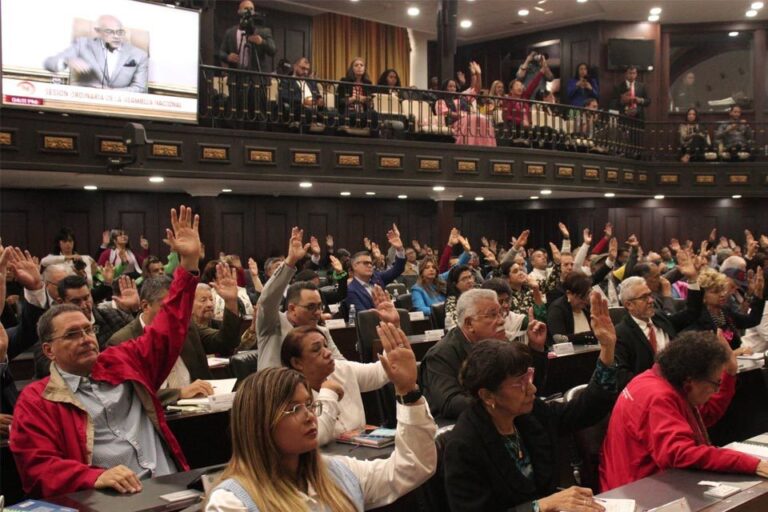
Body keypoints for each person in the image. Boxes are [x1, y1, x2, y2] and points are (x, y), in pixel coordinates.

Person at [10, 205, 201, 498]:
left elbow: (168, 327)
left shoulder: (123, 361)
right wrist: (92, 476)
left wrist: (187, 265)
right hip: (110, 500)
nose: (86, 338)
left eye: (88, 330)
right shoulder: (37, 400)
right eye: (73, 335)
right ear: (49, 349)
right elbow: (37, 468)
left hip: (172, 487)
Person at [205, 323, 437, 511]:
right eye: (295, 409)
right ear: (259, 424)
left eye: (309, 405)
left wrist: (408, 392)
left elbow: (412, 467)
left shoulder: (339, 471)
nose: (309, 417)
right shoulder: (231, 502)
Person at [443, 291, 618, 511]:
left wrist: (607, 348)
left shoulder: (531, 414)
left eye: (530, 377)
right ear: (488, 395)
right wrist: (539, 506)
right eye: (520, 383)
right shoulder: (464, 444)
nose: (532, 389)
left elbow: (587, 409)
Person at [600, 331, 768, 491]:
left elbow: (705, 416)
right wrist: (753, 464)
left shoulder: (664, 379)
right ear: (691, 381)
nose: (717, 391)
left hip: (652, 481)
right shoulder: (657, 397)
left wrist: (730, 374)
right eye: (716, 384)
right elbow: (681, 454)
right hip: (639, 491)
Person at [107, 270, 241, 405]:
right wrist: (179, 393)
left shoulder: (185, 326)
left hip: (201, 412)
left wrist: (231, 302)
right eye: (169, 307)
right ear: (146, 306)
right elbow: (128, 395)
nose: (176, 313)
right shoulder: (121, 342)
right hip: (156, 420)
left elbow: (225, 342)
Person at [420, 289, 547, 419]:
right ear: (469, 324)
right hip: (461, 428)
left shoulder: (500, 342)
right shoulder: (441, 354)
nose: (501, 321)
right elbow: (451, 404)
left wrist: (536, 349)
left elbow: (529, 386)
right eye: (492, 315)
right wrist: (500, 399)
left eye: (501, 313)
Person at [280, 325, 389, 445]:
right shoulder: (291, 395)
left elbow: (381, 373)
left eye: (325, 346)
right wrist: (328, 393)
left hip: (361, 452)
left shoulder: (341, 369)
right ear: (297, 363)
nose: (327, 353)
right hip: (324, 460)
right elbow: (317, 437)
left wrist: (393, 330)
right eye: (316, 349)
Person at [256, 227, 345, 371]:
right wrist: (290, 262)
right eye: (311, 307)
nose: (317, 313)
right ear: (292, 308)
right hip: (276, 390)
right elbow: (268, 300)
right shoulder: (273, 324)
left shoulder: (321, 332)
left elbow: (342, 366)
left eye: (319, 306)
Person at [614, 256, 703, 390]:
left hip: (678, 384)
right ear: (629, 305)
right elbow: (622, 376)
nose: (650, 300)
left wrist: (692, 279)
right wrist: (655, 385)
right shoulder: (621, 333)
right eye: (644, 297)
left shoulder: (659, 318)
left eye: (649, 295)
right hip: (648, 392)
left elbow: (692, 313)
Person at [43, 15, 148, 93]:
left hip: (120, 105)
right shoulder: (83, 44)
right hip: (86, 101)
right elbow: (49, 63)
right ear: (98, 32)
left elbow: (140, 88)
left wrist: (112, 92)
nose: (116, 36)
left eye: (119, 32)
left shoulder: (139, 55)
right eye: (109, 32)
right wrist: (66, 60)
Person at [684, 267, 765, 350]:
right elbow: (702, 353)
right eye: (715, 291)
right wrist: (733, 354)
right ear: (702, 295)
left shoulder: (724, 310)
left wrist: (758, 294)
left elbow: (752, 320)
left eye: (722, 289)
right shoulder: (696, 317)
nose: (722, 294)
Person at [346, 224, 406, 313]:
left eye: (370, 263)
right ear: (354, 266)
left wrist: (399, 249)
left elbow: (398, 269)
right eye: (365, 263)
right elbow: (362, 315)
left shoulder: (377, 277)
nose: (370, 265)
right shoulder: (350, 290)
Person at [435, 61, 496, 147]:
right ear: (445, 88)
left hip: (468, 119)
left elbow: (476, 90)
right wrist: (462, 115)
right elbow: (445, 113)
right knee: (473, 119)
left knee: (483, 119)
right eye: (450, 86)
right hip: (454, 124)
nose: (453, 88)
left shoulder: (461, 98)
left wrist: (479, 74)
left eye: (454, 87)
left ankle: (486, 146)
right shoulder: (441, 101)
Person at [217, 1, 276, 72]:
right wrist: (227, 57)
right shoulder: (230, 32)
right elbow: (221, 52)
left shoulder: (264, 31)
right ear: (239, 11)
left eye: (251, 9)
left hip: (257, 77)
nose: (249, 12)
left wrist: (261, 42)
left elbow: (273, 50)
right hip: (236, 76)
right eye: (246, 9)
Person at [546, 272, 596, 345]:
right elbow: (560, 340)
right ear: (568, 293)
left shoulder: (588, 307)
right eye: (581, 297)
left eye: (587, 295)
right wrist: (589, 335)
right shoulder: (557, 309)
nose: (585, 299)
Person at [337, 57, 378, 131]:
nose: (359, 67)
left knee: (374, 114)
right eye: (356, 65)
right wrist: (354, 99)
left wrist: (366, 100)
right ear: (352, 69)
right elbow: (339, 101)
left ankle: (374, 141)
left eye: (361, 65)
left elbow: (370, 105)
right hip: (348, 114)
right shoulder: (344, 81)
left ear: (364, 69)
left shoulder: (368, 84)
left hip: (363, 114)